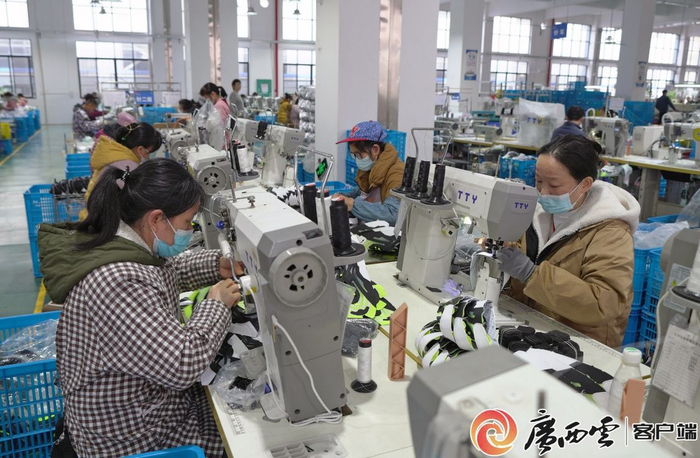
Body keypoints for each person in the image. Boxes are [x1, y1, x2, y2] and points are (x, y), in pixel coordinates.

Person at [38, 159, 240, 457]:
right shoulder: (118, 282)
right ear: (157, 218)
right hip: (130, 437)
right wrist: (216, 305)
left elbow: (167, 271)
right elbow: (182, 364)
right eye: (187, 223)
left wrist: (216, 264)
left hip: (142, 407)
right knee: (238, 441)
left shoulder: (122, 242)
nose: (189, 230)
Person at [499, 135, 640, 347]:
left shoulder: (611, 232)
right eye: (538, 181)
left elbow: (603, 303)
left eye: (554, 185)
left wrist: (532, 275)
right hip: (535, 328)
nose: (543, 192)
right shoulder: (537, 213)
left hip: (579, 343)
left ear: (585, 184)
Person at [80, 122, 163, 220]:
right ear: (140, 149)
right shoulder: (127, 167)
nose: (148, 157)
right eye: (148, 153)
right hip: (103, 222)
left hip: (91, 216)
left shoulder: (115, 155)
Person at [334, 121, 405, 226]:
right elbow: (360, 192)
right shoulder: (371, 167)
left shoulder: (397, 173)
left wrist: (353, 205)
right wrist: (342, 196)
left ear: (375, 149)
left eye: (358, 155)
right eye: (353, 155)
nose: (356, 160)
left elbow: (394, 214)